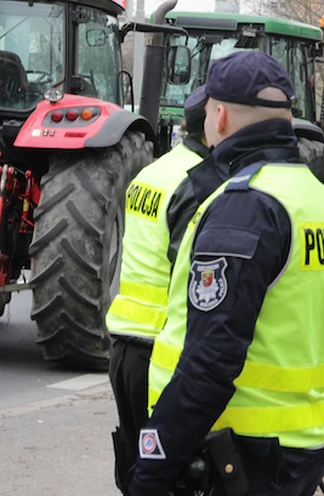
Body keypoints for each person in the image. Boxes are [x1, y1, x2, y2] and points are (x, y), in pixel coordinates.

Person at [128, 52, 324, 496]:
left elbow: (211, 359)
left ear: (220, 114)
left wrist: (153, 467)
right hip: (296, 446)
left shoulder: (246, 204)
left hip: (238, 453)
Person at [106, 87, 211, 493]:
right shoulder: (199, 185)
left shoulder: (153, 172)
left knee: (138, 470)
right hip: (164, 354)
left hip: (127, 347)